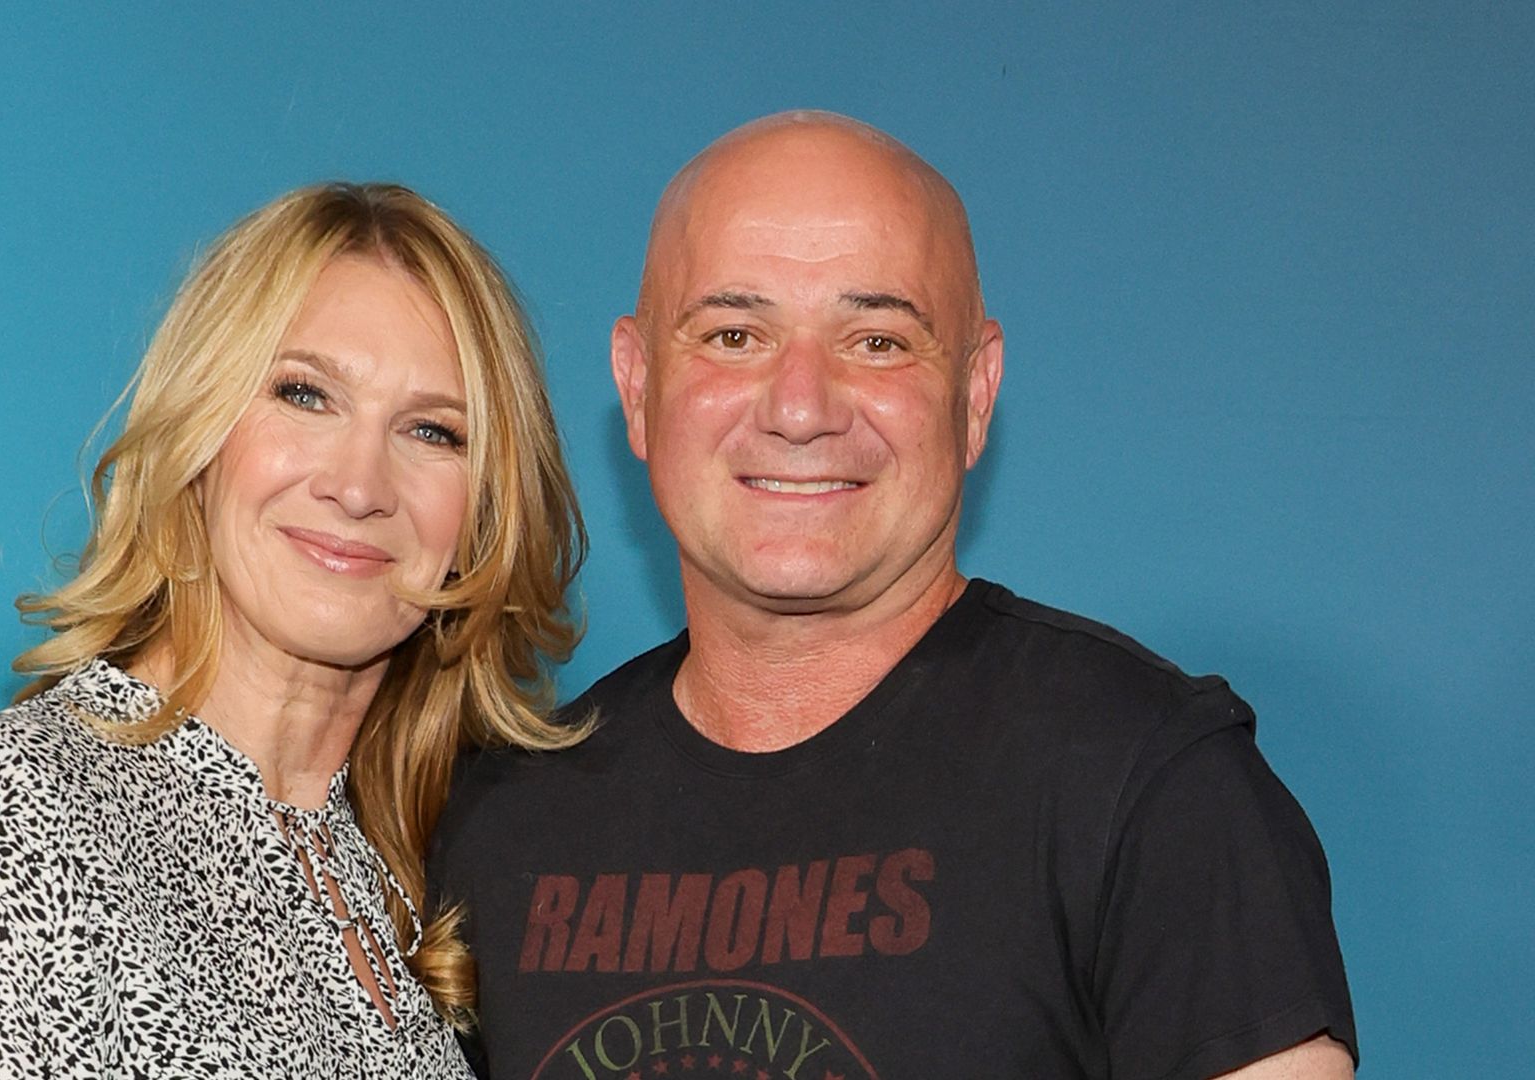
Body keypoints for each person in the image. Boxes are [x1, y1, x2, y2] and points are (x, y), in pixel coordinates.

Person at [431, 113, 1358, 1079]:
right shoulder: (504, 819)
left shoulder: (1146, 786)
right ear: (637, 385)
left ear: (975, 393)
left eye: (876, 341)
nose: (800, 408)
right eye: (735, 334)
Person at [0, 182, 585, 1078]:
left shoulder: (423, 880)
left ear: (485, 517)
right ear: (199, 435)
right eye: (305, 395)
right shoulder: (8, 808)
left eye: (433, 431)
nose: (359, 486)